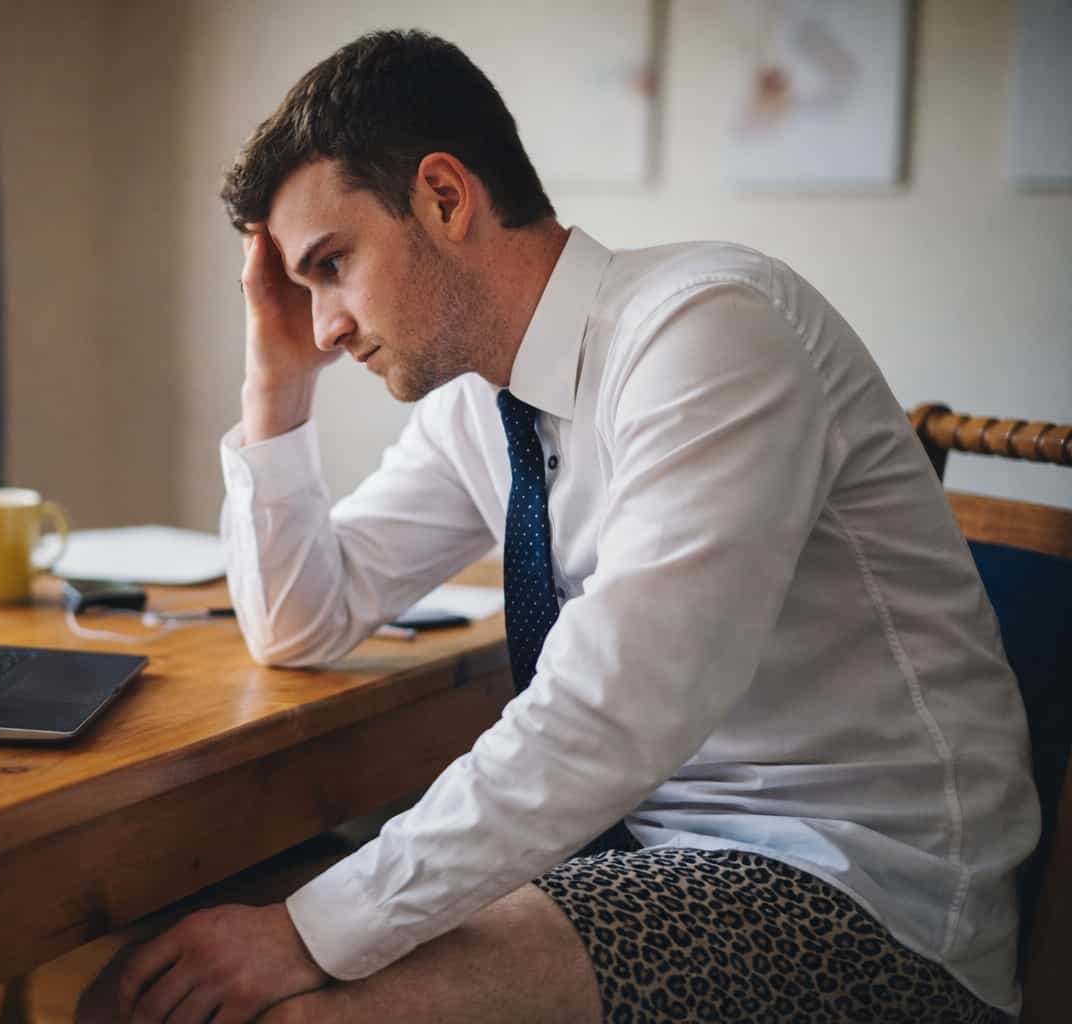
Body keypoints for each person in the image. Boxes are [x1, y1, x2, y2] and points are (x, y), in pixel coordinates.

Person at [107, 29, 1037, 1024]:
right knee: (147, 977)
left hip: (855, 897)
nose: (326, 324)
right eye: (303, 289)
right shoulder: (480, 405)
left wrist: (308, 929)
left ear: (445, 198)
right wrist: (276, 379)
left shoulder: (707, 331)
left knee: (293, 1010)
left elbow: (614, 706)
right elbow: (301, 618)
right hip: (635, 857)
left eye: (332, 265)